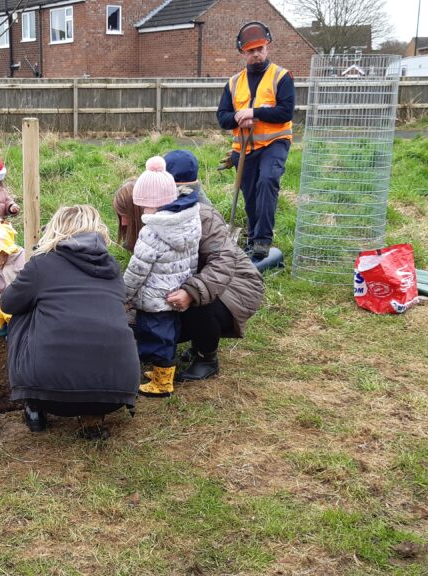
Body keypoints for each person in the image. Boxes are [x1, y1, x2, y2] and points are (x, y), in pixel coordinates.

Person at [0, 205, 140, 440]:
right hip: (115, 393)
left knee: (22, 313)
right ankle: (92, 418)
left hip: (49, 394)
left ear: (56, 229)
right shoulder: (112, 268)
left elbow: (8, 304)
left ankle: (34, 407)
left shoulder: (41, 264)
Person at [113, 179, 263, 383]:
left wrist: (190, 292)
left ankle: (207, 358)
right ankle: (193, 341)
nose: (122, 223)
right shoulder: (151, 230)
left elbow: (223, 262)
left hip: (236, 285)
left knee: (198, 303)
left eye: (125, 215)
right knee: (151, 321)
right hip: (192, 282)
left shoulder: (200, 215)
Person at [123, 157, 201, 398]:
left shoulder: (152, 232)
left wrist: (124, 294)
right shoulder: (190, 221)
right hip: (176, 291)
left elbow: (138, 270)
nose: (143, 210)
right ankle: (161, 373)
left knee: (157, 339)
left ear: (152, 203)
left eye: (144, 205)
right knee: (169, 335)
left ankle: (162, 383)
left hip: (154, 297)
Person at [216, 21, 295, 261]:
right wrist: (239, 117)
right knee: (249, 192)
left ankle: (262, 240)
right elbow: (222, 117)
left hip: (274, 143)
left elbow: (285, 112)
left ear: (267, 47)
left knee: (267, 181)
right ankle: (251, 238)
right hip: (244, 147)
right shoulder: (233, 83)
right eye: (251, 51)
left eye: (260, 48)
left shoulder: (281, 77)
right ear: (243, 52)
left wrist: (255, 112)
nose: (256, 54)